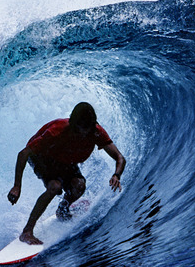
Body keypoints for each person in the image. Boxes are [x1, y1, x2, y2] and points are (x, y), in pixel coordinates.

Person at [7, 102, 126, 245]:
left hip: (65, 159)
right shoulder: (57, 130)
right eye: (80, 129)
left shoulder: (96, 132)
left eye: (87, 129)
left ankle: (62, 210)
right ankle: (27, 232)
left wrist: (116, 175)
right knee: (54, 187)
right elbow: (23, 154)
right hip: (42, 158)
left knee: (79, 186)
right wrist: (17, 186)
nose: (83, 134)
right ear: (74, 123)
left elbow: (119, 157)